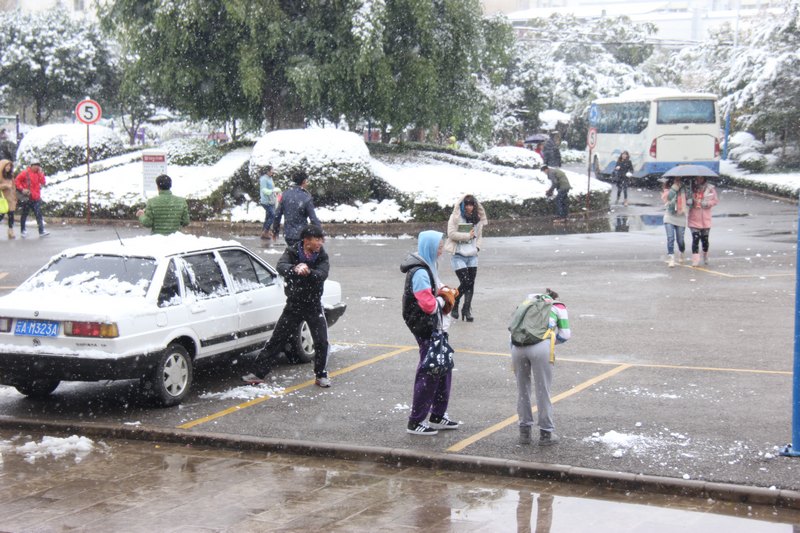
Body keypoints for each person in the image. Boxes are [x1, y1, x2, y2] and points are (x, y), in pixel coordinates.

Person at [243, 224, 333, 387]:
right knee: (278, 338)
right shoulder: (292, 252)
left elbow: (322, 274)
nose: (320, 243)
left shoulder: (321, 256)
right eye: (317, 239)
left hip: (313, 304)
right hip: (294, 304)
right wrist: (295, 269)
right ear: (306, 240)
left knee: (321, 340)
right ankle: (258, 373)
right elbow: (281, 267)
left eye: (321, 240)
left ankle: (321, 374)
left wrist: (309, 272)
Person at [400, 230, 461, 435]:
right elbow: (428, 305)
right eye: (439, 246)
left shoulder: (429, 266)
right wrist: (445, 299)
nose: (442, 250)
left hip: (436, 328)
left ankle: (437, 414)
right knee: (429, 373)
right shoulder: (419, 272)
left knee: (443, 369)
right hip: (427, 329)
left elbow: (438, 285)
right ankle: (416, 421)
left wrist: (446, 289)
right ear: (429, 247)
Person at [511, 288, 570, 446]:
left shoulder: (525, 304)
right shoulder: (558, 306)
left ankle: (524, 433)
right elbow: (565, 335)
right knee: (543, 390)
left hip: (517, 347)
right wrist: (548, 341)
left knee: (522, 390)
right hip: (541, 348)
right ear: (553, 297)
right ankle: (546, 434)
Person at [445, 194, 488, 322]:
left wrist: (478, 247)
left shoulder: (477, 218)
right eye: (467, 204)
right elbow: (451, 234)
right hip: (458, 254)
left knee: (471, 283)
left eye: (472, 204)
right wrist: (467, 236)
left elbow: (480, 236)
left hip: (472, 255)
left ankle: (466, 309)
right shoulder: (456, 217)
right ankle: (455, 301)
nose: (469, 207)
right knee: (465, 282)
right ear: (463, 205)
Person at [272, 170, 321, 247]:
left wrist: (275, 230)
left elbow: (277, 215)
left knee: (292, 254)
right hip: (302, 234)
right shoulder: (306, 197)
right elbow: (313, 218)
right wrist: (319, 233)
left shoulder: (285, 194)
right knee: (302, 255)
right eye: (306, 181)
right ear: (304, 181)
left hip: (288, 235)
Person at [688, 175, 719, 266]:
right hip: (694, 218)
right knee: (695, 239)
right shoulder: (691, 188)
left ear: (704, 178)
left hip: (706, 219)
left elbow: (715, 201)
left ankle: (705, 255)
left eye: (701, 178)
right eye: (697, 178)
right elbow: (685, 199)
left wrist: (708, 203)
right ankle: (695, 259)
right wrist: (689, 201)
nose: (699, 180)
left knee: (705, 240)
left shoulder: (710, 188)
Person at [14, 160, 48, 237]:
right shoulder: (25, 173)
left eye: (38, 165)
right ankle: (23, 230)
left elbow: (43, 182)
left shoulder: (38, 173)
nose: (37, 167)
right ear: (31, 165)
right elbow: (17, 181)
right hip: (27, 197)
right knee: (25, 214)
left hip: (36, 197)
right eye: (35, 165)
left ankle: (41, 231)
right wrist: (22, 189)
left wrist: (41, 174)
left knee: (38, 214)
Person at [661, 176, 688, 267]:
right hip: (669, 215)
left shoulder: (685, 188)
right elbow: (667, 198)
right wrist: (674, 188)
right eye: (675, 179)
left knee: (680, 240)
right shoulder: (668, 188)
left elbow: (690, 200)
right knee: (670, 238)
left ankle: (682, 251)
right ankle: (671, 258)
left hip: (681, 216)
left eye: (679, 179)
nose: (677, 180)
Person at [259, 166, 280, 240]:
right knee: (273, 215)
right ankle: (265, 231)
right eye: (271, 170)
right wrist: (272, 191)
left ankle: (265, 231)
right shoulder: (263, 179)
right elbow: (264, 190)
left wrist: (275, 191)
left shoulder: (270, 178)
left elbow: (271, 188)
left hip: (271, 200)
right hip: (266, 201)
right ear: (267, 171)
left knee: (268, 216)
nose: (273, 172)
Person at [0, 159, 18, 239]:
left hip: (10, 199)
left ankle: (11, 230)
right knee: (1, 216)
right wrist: (5, 186)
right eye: (6, 166)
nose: (8, 167)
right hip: (2, 200)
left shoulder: (11, 176)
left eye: (9, 166)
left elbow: (13, 187)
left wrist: (15, 197)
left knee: (11, 216)